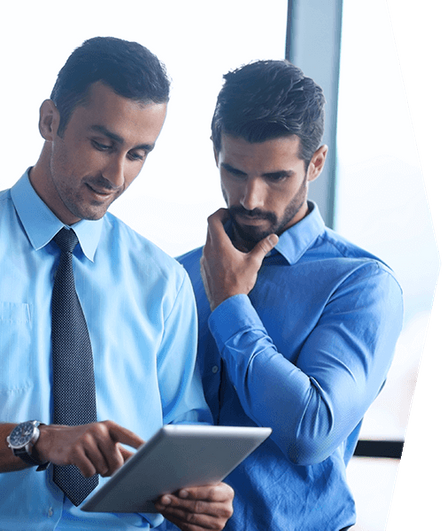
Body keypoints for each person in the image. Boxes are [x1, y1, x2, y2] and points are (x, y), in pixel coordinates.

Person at [0, 37, 235, 530]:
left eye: (138, 154)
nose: (116, 175)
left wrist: (200, 497)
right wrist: (39, 440)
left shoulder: (164, 282)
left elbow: (184, 431)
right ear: (50, 121)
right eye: (103, 144)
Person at [176, 59, 404, 530]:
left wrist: (229, 305)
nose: (251, 198)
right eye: (234, 171)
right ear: (215, 152)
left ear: (315, 163)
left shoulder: (361, 284)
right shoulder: (177, 275)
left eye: (276, 177)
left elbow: (310, 432)